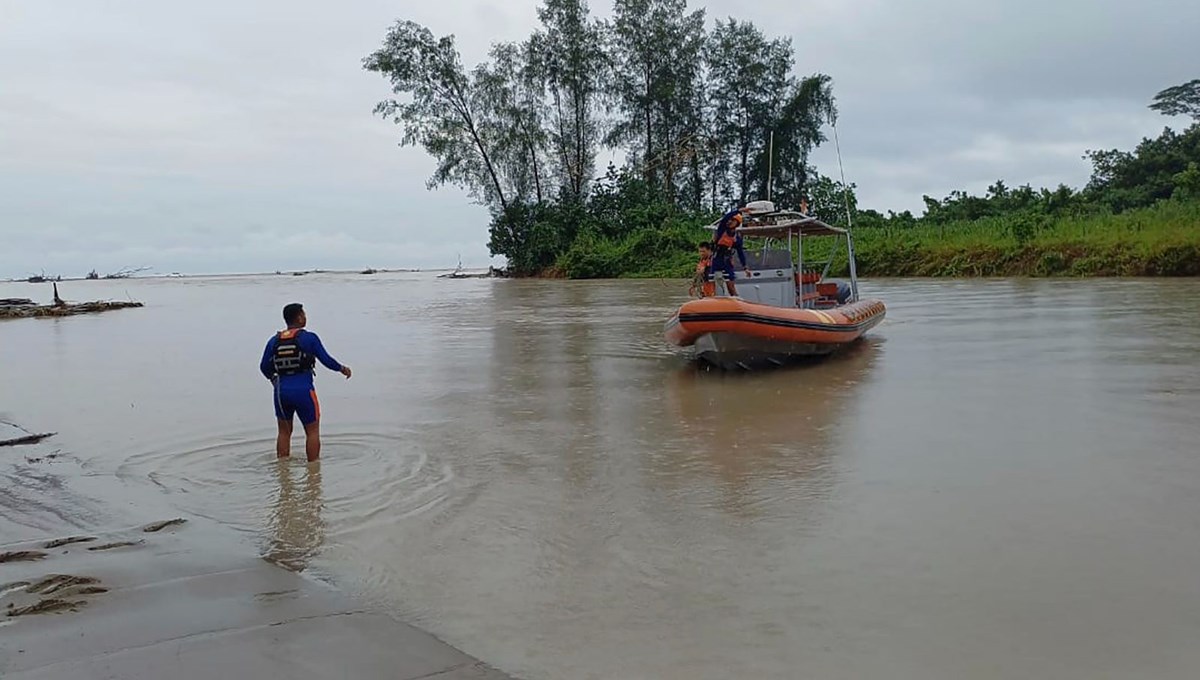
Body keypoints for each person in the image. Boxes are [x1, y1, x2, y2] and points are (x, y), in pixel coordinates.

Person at [260, 303, 351, 462]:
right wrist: (342, 368)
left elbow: (264, 367)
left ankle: (283, 470)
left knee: (284, 432)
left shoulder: (274, 341)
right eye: (304, 314)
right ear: (299, 317)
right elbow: (326, 360)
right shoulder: (309, 338)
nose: (305, 317)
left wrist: (274, 380)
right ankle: (313, 472)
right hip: (304, 391)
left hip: (281, 393)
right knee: (312, 432)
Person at [711, 207, 752, 297]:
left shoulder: (737, 238)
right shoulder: (722, 229)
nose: (729, 222)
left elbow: (740, 253)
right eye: (730, 220)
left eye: (732, 220)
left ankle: (735, 297)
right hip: (717, 258)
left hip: (726, 260)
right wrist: (739, 211)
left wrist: (745, 267)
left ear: (737, 223)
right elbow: (725, 217)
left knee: (730, 283)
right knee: (714, 280)